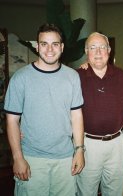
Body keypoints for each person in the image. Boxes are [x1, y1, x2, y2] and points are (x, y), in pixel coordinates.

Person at [4, 23, 85, 196]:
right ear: (37, 46)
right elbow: (12, 120)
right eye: (44, 44)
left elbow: (76, 115)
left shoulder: (72, 76)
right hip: (32, 159)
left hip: (65, 160)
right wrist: (18, 158)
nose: (50, 49)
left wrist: (79, 151)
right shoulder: (21, 78)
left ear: (62, 47)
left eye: (55, 44)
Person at [76, 32, 123, 196]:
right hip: (88, 145)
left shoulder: (122, 77)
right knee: (86, 191)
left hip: (117, 145)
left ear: (109, 50)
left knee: (115, 191)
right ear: (86, 52)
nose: (98, 52)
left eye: (102, 47)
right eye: (93, 48)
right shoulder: (76, 77)